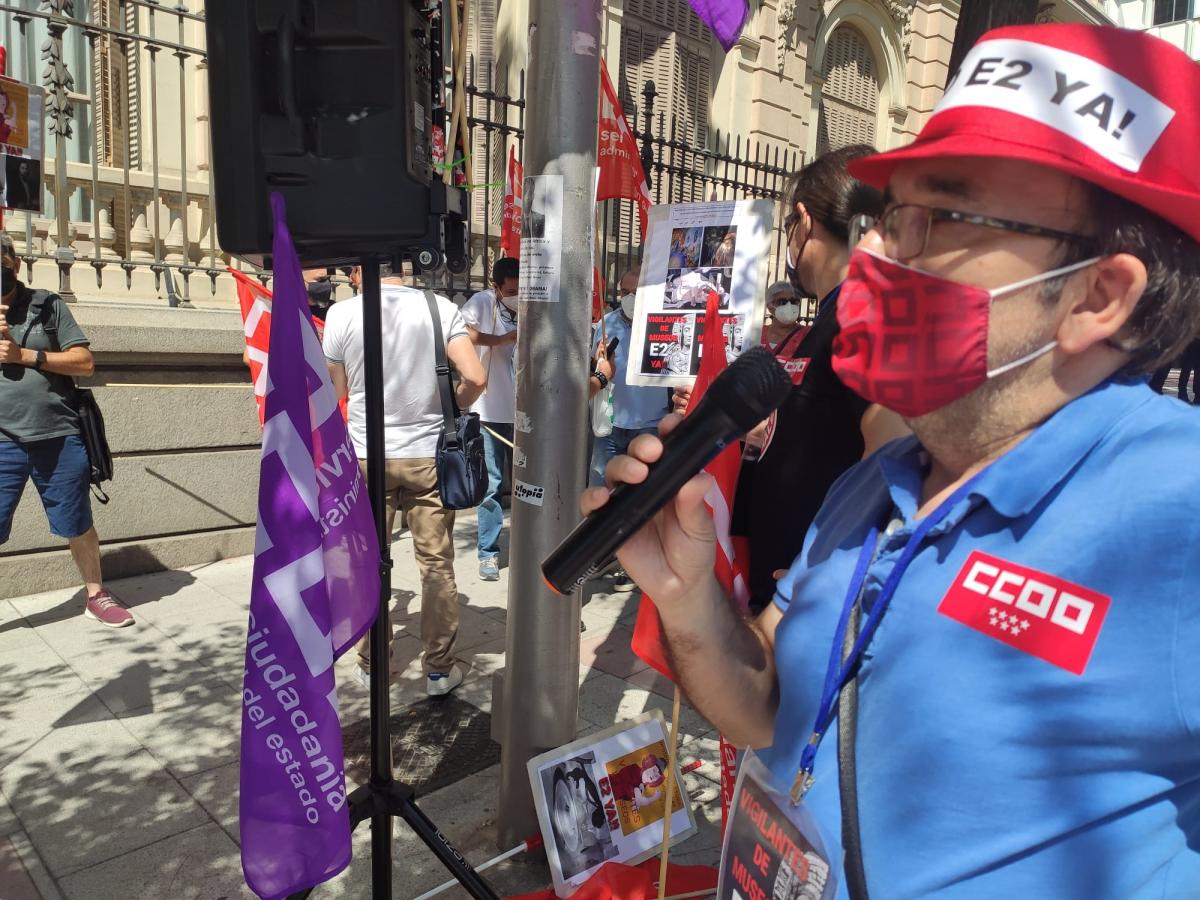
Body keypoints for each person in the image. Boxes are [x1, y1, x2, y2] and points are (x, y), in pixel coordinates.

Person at [586, 24, 1200, 896]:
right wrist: (687, 597)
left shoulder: (1177, 507)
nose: (876, 255)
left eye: (936, 219)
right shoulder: (876, 482)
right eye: (888, 217)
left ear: (1098, 295)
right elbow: (766, 704)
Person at [679, 148, 906, 612]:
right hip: (788, 582)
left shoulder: (861, 317)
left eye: (788, 227)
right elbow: (828, 432)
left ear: (803, 222)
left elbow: (892, 460)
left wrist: (829, 570)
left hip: (811, 597)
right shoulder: (835, 317)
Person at [324, 266, 485, 696]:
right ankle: (439, 670)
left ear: (359, 270)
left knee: (366, 564)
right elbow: (476, 377)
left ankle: (372, 664)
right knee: (436, 564)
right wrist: (452, 406)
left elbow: (334, 391)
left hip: (366, 456)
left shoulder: (342, 313)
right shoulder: (440, 308)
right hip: (427, 456)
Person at [0, 234, 131, 626]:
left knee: (78, 522)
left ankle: (96, 595)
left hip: (58, 435)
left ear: (15, 264)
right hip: (2, 440)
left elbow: (84, 363)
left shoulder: (46, 305)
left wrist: (24, 355)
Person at [460, 257, 520, 581]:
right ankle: (488, 554)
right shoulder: (482, 303)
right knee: (492, 485)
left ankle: (528, 548)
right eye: (509, 291)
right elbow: (461, 334)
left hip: (524, 412)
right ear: (496, 287)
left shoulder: (532, 302)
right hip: (490, 411)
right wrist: (499, 340)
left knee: (528, 486)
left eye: (519, 290)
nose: (515, 296)